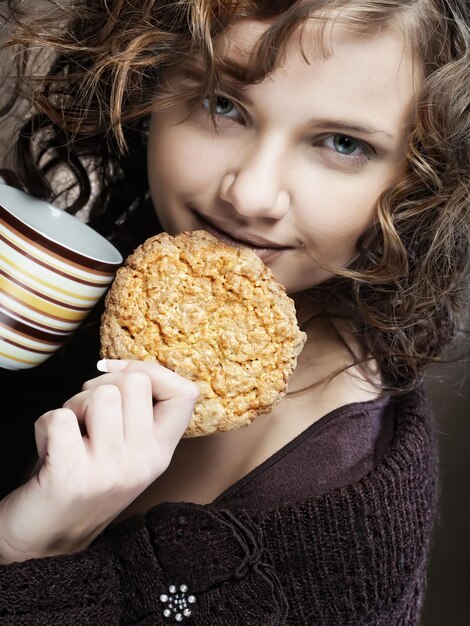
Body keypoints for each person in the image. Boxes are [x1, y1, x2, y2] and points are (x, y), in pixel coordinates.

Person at [0, 0, 468, 623]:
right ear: (149, 82)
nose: (248, 194)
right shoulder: (106, 267)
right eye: (223, 104)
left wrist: (33, 552)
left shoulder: (343, 529)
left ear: (422, 179)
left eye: (342, 143)